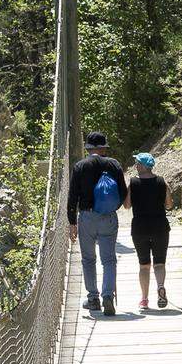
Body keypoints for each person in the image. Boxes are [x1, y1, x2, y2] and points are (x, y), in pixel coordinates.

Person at [66, 131, 126, 315]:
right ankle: (108, 295)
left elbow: (72, 196)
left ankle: (93, 298)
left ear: (88, 148)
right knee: (108, 259)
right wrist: (112, 207)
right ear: (103, 148)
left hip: (87, 217)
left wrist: (72, 222)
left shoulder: (80, 166)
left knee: (88, 259)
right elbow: (123, 193)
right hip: (107, 216)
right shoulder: (113, 164)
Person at [125, 152, 171, 309]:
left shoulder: (133, 183)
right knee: (159, 263)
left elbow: (126, 205)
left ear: (144, 166)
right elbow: (169, 205)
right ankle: (160, 286)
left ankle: (144, 299)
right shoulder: (161, 182)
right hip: (160, 227)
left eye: (137, 163)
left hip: (140, 228)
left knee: (144, 265)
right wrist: (167, 189)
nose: (136, 166)